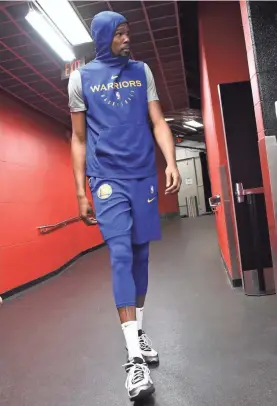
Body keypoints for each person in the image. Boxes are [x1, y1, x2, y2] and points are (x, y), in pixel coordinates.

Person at [68, 10, 181, 402]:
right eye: (118, 34)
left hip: (142, 176)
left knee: (139, 257)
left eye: (127, 33)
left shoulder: (142, 71)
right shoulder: (80, 78)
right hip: (106, 179)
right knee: (119, 254)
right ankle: (134, 359)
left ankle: (139, 330)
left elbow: (158, 120)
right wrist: (81, 190)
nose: (126, 39)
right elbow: (79, 138)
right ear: (102, 37)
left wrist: (170, 158)